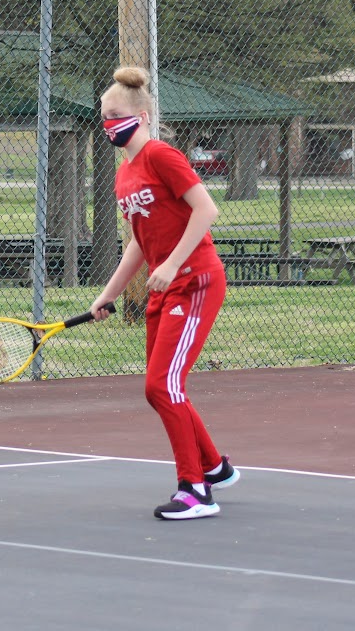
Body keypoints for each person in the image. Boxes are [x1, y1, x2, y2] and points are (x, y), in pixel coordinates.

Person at [89, 66, 239, 520]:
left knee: (163, 385)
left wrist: (173, 263)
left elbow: (205, 209)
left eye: (116, 115)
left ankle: (194, 491)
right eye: (104, 117)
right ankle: (213, 467)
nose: (109, 124)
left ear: (142, 116)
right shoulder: (124, 175)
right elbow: (139, 240)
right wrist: (108, 293)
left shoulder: (161, 155)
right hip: (165, 289)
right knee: (159, 389)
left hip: (195, 281)